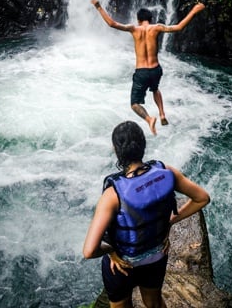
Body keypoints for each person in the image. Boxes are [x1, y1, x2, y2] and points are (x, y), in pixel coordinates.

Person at [83, 120, 210, 308]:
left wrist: (112, 251)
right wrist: (171, 221)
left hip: (122, 266)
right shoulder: (166, 171)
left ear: (116, 150)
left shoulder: (113, 195)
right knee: (154, 302)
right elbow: (202, 198)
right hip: (156, 256)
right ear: (143, 146)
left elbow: (89, 251)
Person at [91, 0, 205, 135]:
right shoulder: (157, 27)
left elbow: (112, 23)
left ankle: (149, 119)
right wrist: (194, 10)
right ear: (150, 19)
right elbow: (179, 27)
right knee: (155, 89)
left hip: (141, 72)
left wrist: (98, 6)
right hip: (156, 69)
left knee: (134, 104)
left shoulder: (133, 29)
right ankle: (162, 114)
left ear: (138, 20)